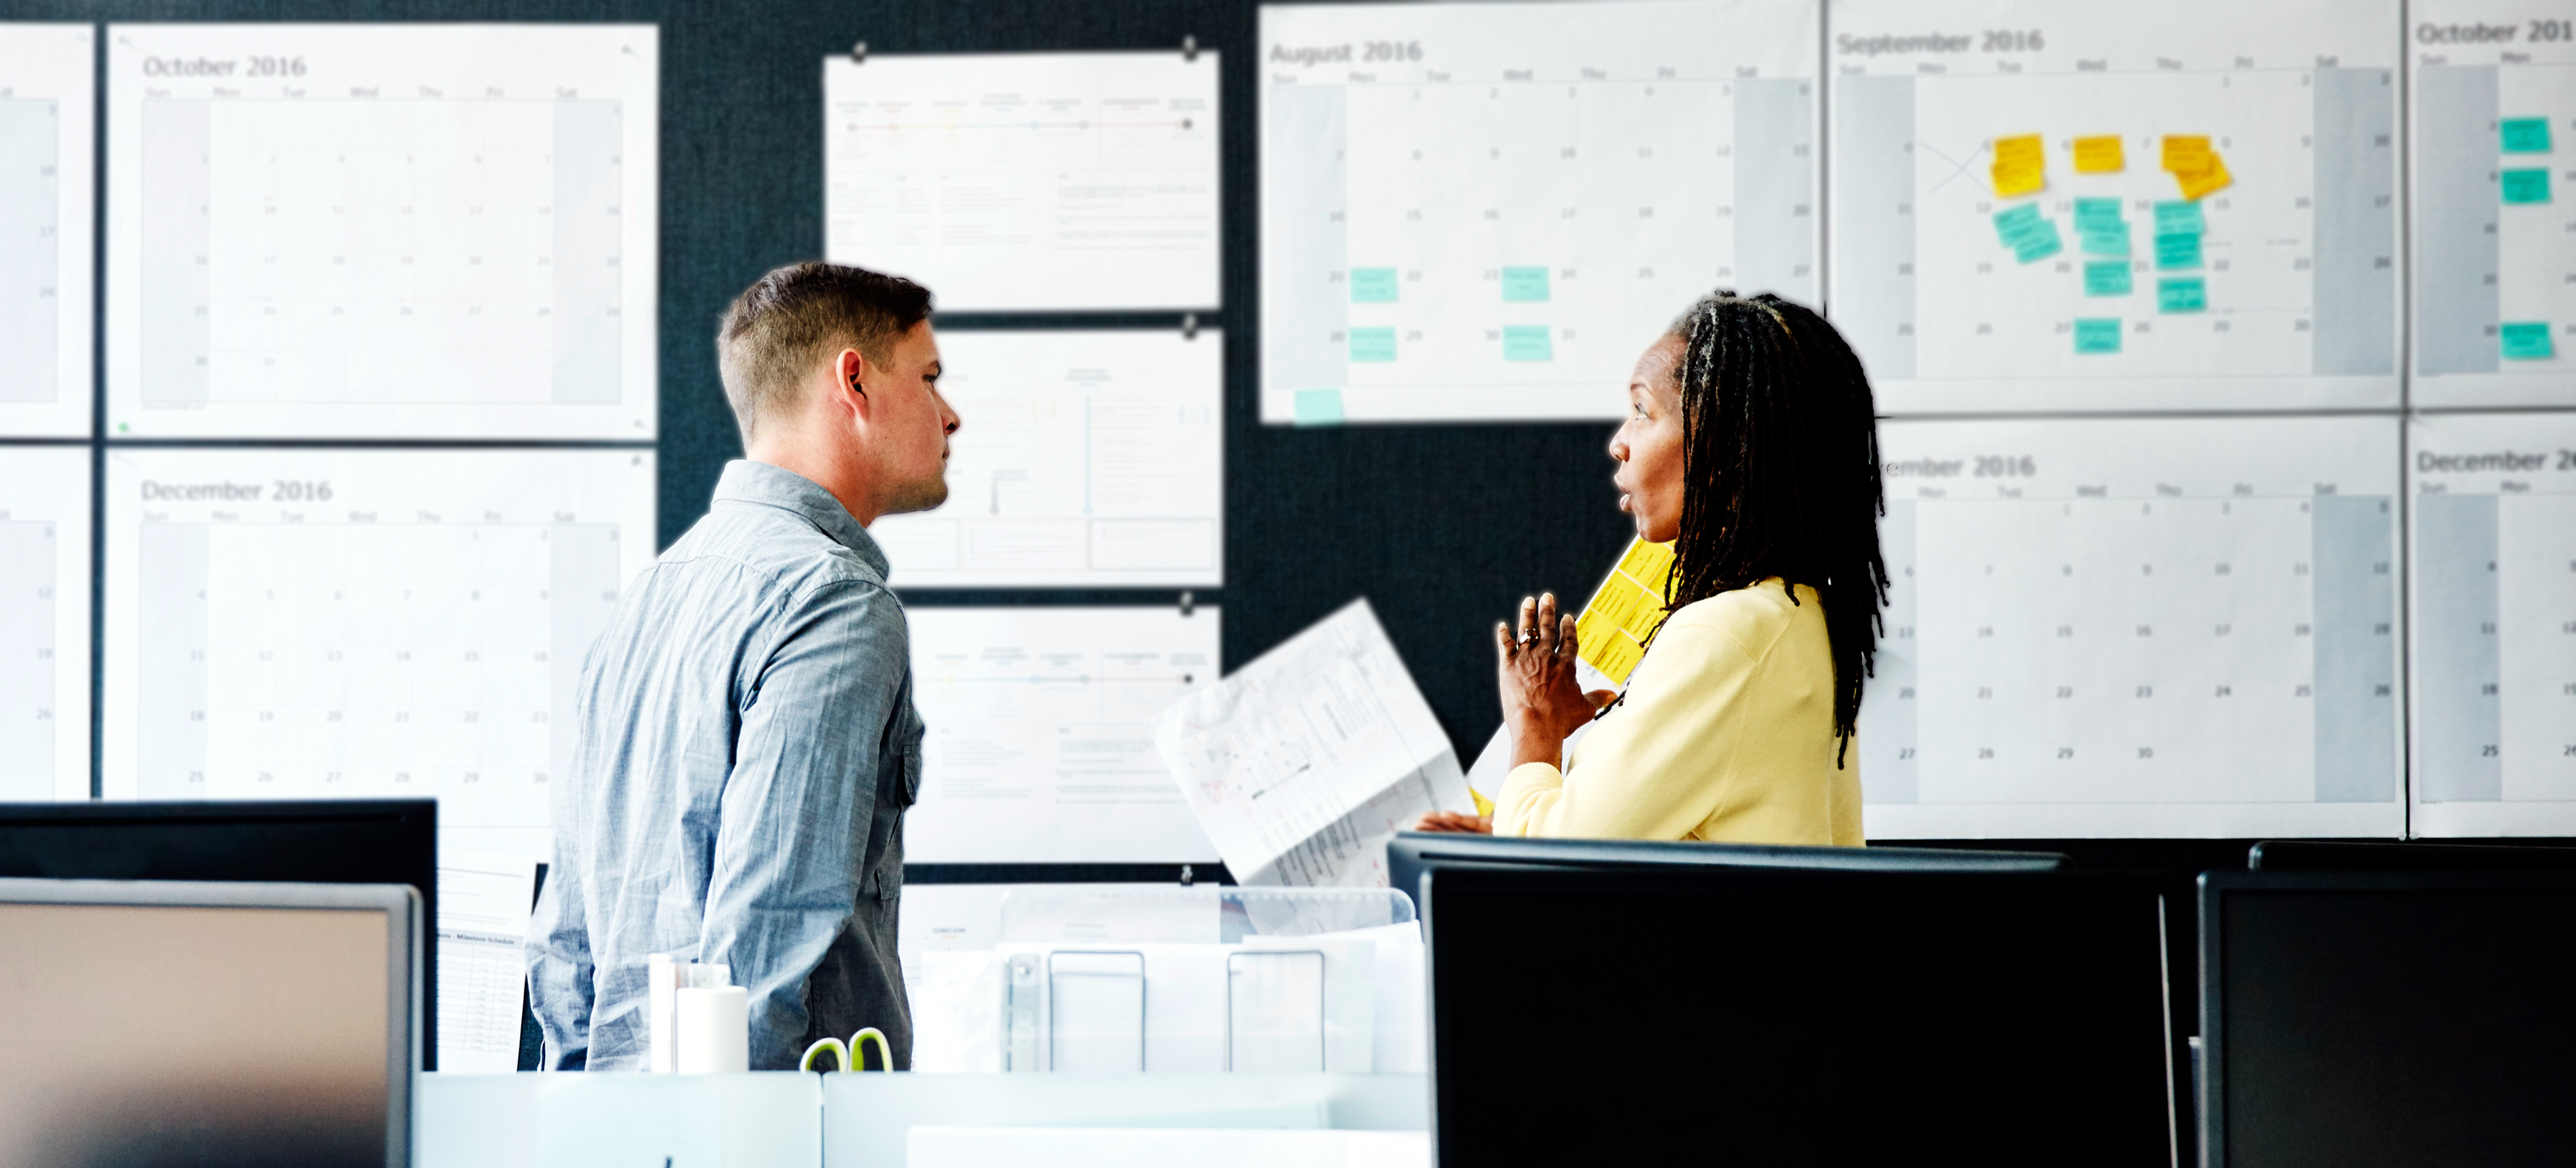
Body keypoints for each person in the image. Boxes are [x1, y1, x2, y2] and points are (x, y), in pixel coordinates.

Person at [527, 262, 961, 1070]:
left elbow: (564, 937)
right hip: (768, 1137)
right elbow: (771, 937)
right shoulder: (831, 601)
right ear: (855, 382)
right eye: (929, 378)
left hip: (621, 1131)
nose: (951, 414)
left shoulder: (650, 594)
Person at [1419, 291, 1885, 844]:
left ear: (1726, 446)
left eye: (1643, 411)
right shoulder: (1796, 617)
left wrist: (1537, 728)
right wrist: (1516, 819)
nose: (1620, 443)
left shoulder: (1725, 635)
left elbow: (1551, 865)